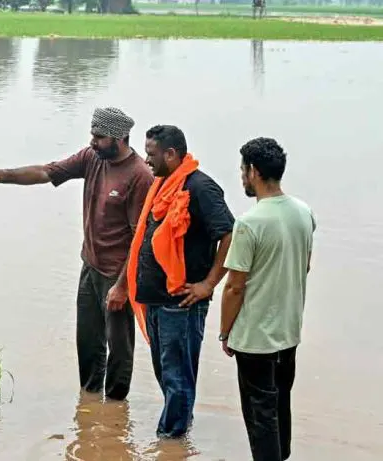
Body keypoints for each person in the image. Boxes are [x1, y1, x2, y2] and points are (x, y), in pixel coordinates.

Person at [0, 107, 153, 400]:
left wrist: (123, 286)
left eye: (99, 137)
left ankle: (115, 408)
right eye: (92, 134)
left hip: (118, 273)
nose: (92, 141)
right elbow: (46, 171)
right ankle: (90, 402)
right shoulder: (92, 158)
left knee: (119, 346)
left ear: (120, 138)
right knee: (88, 341)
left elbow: (139, 238)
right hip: (90, 265)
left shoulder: (139, 175)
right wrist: (1, 175)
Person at [126, 124, 234, 438]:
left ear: (171, 154)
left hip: (182, 303)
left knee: (177, 378)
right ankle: (178, 435)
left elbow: (230, 235)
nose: (146, 160)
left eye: (152, 154)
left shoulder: (200, 188)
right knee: (166, 374)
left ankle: (170, 441)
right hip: (157, 299)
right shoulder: (162, 185)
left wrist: (209, 283)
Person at [219, 137, 315, 461]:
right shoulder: (304, 213)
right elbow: (306, 265)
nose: (242, 177)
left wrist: (224, 332)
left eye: (243, 170)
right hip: (288, 333)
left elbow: (234, 287)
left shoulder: (249, 224)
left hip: (255, 340)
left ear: (254, 172)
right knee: (279, 406)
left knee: (261, 418)